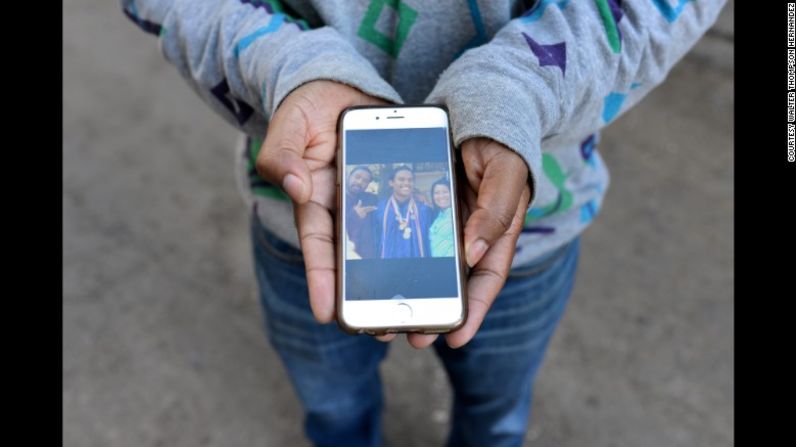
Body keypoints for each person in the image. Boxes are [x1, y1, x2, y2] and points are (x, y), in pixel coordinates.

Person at [123, 0, 728, 445]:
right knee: (335, 413)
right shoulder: (380, 202)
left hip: (525, 230)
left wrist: (521, 83)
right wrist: (284, 61)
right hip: (302, 212)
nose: (407, 184)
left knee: (496, 416)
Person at [374, 166, 432, 259]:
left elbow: (429, 241)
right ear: (391, 182)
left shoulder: (424, 209)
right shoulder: (380, 209)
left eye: (410, 180)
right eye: (401, 179)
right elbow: (375, 240)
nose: (406, 183)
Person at [345, 166, 378, 259]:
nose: (360, 182)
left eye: (365, 181)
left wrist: (415, 195)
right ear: (349, 176)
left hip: (366, 256)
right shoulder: (337, 196)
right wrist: (353, 216)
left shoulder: (370, 198)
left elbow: (388, 198)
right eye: (357, 177)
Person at [428, 178, 455, 258]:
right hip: (437, 264)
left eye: (445, 192)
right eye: (436, 193)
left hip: (450, 264)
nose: (441, 196)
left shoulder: (456, 216)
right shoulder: (438, 216)